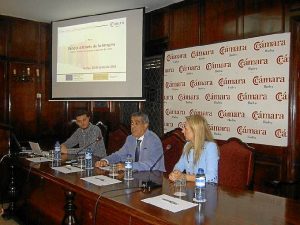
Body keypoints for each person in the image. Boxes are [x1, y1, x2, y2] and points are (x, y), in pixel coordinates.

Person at [95, 112, 165, 172]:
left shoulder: (154, 140)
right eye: (132, 123)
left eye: (136, 123)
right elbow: (119, 155)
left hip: (154, 177)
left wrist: (128, 166)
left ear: (145, 125)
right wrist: (105, 161)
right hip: (134, 174)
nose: (133, 127)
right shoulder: (130, 139)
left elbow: (152, 164)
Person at [169, 115, 219, 183]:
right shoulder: (187, 145)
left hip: (207, 189)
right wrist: (175, 173)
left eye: (186, 128)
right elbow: (179, 166)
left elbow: (211, 177)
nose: (182, 131)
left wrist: (185, 177)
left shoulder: (210, 147)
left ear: (195, 131)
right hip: (191, 188)